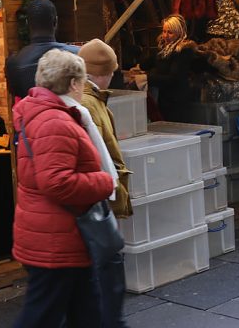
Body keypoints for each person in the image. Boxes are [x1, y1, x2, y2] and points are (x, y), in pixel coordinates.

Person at [12, 49, 116, 328]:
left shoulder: (45, 114)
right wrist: (104, 181)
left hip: (59, 235)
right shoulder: (54, 121)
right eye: (82, 81)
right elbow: (56, 181)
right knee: (41, 316)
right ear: (72, 84)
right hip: (55, 241)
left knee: (87, 312)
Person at [77, 39, 133, 328]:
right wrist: (110, 187)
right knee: (105, 274)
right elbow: (97, 157)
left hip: (101, 194)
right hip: (101, 197)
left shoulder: (90, 100)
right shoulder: (88, 104)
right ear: (105, 72)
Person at [6, 0, 78, 100]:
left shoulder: (14, 63)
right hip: (68, 114)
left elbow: (17, 96)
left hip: (32, 114)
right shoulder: (76, 56)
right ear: (55, 21)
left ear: (27, 23)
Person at [144, 14, 209, 123]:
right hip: (165, 98)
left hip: (178, 100)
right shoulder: (163, 50)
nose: (166, 35)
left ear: (179, 33)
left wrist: (147, 78)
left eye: (170, 32)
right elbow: (145, 64)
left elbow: (174, 78)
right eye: (164, 31)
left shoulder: (183, 51)